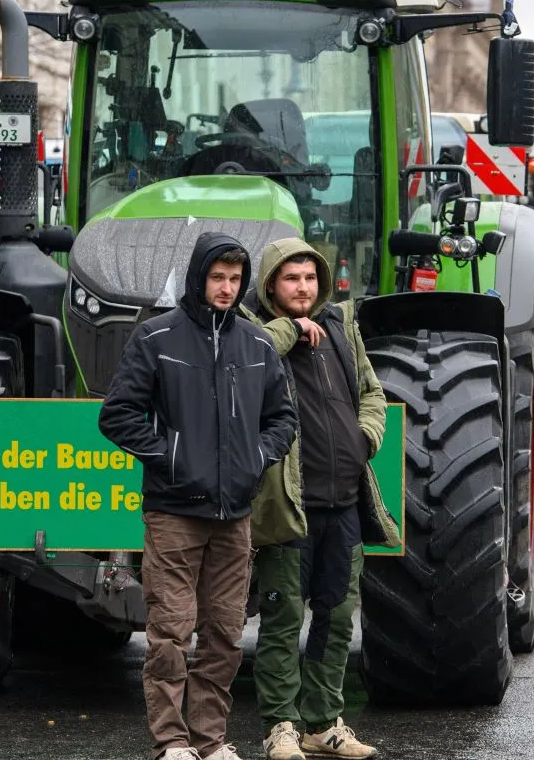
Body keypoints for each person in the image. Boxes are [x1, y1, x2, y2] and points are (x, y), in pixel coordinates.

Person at [99, 233, 298, 760]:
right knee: (169, 632)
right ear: (198, 277)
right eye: (217, 278)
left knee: (225, 636)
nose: (227, 288)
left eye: (235, 279)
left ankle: (210, 741)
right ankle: (171, 742)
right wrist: (173, 457)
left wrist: (256, 458)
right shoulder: (156, 337)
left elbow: (283, 418)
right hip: (174, 513)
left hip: (235, 516)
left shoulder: (256, 345)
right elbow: (116, 415)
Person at [244, 238, 401, 760]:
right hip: (292, 505)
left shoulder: (339, 327)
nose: (303, 288)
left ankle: (323, 724)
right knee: (284, 618)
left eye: (310, 278)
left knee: (336, 619)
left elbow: (373, 392)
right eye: (291, 279)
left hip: (345, 502)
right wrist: (291, 329)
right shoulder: (254, 331)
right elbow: (248, 362)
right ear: (271, 285)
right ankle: (281, 728)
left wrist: (366, 437)